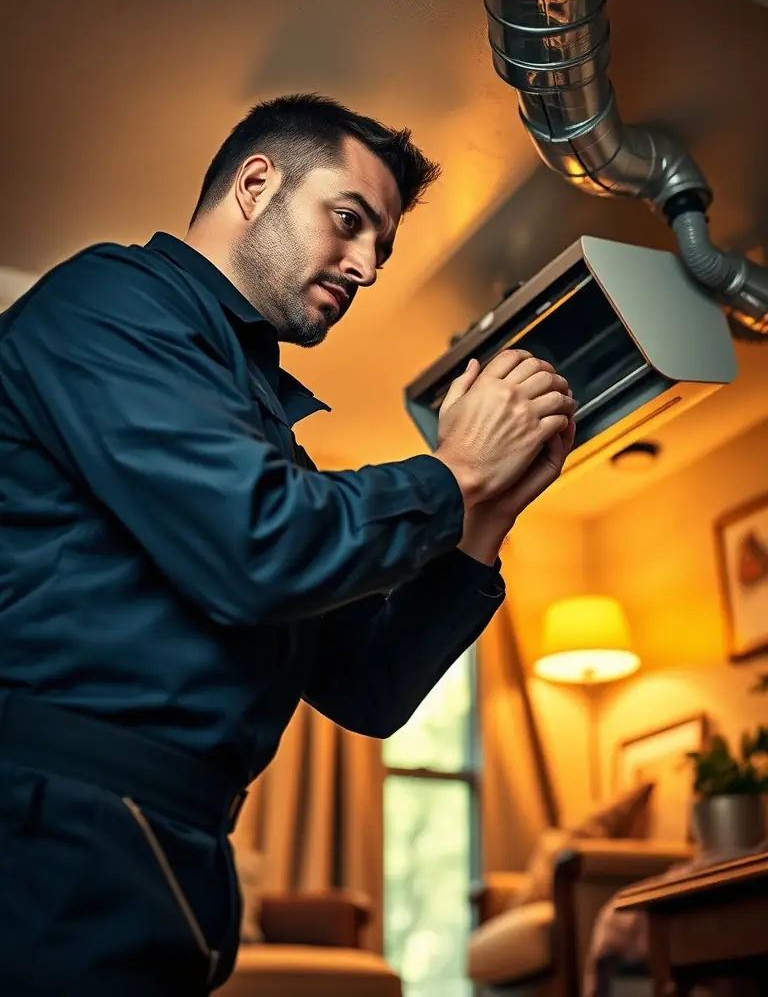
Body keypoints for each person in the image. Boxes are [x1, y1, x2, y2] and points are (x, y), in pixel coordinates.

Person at [0, 93, 576, 995]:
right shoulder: (111, 301)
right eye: (350, 222)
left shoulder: (260, 426)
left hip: (174, 851)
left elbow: (368, 685)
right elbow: (258, 548)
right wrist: (454, 473)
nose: (367, 267)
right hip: (53, 830)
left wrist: (488, 515)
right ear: (256, 183)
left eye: (381, 248)